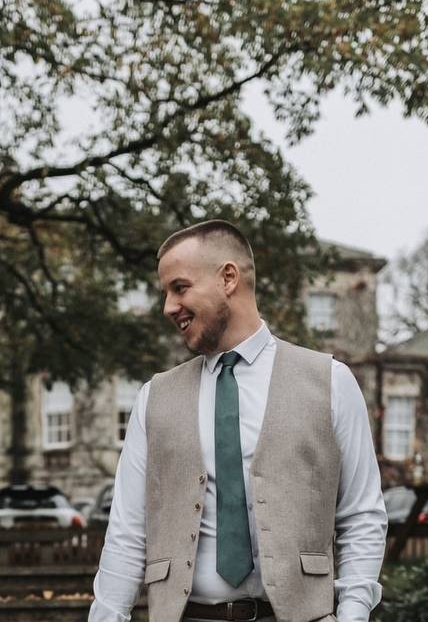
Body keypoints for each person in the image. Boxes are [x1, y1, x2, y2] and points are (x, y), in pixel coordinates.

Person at [88, 221, 387, 622]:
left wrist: (352, 615)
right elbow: (126, 532)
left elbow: (361, 513)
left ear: (228, 278)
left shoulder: (331, 381)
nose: (168, 307)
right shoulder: (153, 398)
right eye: (166, 293)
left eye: (180, 288)